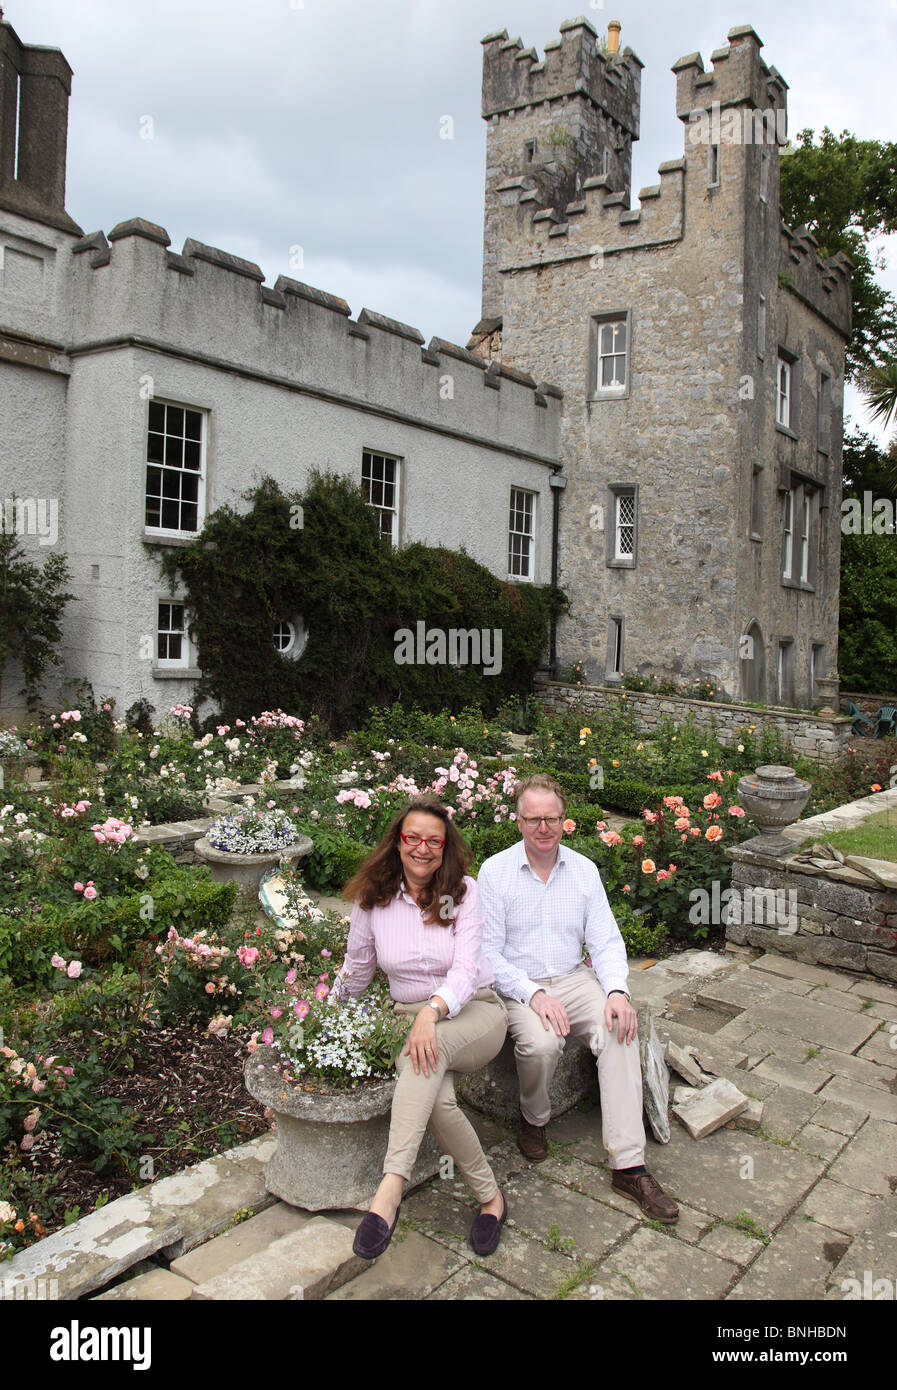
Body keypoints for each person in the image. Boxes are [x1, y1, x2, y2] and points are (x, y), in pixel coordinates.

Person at [477, 773, 679, 1223]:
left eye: (551, 818)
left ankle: (628, 1165)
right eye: (533, 819)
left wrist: (617, 991)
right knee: (541, 1043)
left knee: (619, 1028)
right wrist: (532, 994)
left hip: (572, 977)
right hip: (518, 984)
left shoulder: (584, 871)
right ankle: (534, 1118)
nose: (542, 828)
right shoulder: (495, 872)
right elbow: (487, 952)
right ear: (518, 821)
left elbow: (605, 941)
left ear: (564, 820)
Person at [331, 795, 509, 1259]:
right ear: (398, 842)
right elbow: (356, 968)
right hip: (407, 1021)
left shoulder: (464, 893)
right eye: (413, 838)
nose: (423, 849)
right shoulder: (374, 898)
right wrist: (322, 1021)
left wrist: (431, 1012)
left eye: (434, 840)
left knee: (418, 1057)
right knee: (438, 1100)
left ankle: (388, 1193)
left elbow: (467, 970)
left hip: (475, 1013)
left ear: (446, 846)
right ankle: (491, 1199)